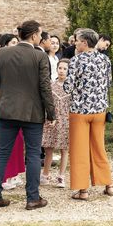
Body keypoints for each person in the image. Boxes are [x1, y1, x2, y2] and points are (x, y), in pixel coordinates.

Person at [0, 20, 55, 211]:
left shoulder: (3, 52)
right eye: (40, 34)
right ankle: (32, 198)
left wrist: (8, 91)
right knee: (33, 154)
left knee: (2, 153)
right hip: (32, 112)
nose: (41, 38)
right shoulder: (39, 56)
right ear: (33, 35)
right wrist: (51, 112)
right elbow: (44, 87)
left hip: (7, 110)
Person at [64, 29, 113, 200]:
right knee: (99, 147)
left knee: (79, 150)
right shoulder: (105, 59)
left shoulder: (76, 60)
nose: (75, 43)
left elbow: (68, 87)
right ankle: (108, 184)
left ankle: (83, 190)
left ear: (85, 42)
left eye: (77, 41)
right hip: (99, 109)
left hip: (79, 110)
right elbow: (109, 83)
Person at [0, 33, 26, 191]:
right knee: (3, 145)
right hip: (1, 107)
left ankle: (13, 174)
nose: (16, 45)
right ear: (5, 44)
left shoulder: (17, 60)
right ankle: (1, 177)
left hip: (16, 106)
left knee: (18, 141)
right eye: (13, 42)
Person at [41, 58, 71, 188]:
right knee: (49, 148)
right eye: (60, 68)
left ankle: (61, 176)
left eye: (65, 69)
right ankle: (45, 174)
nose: (62, 71)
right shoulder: (51, 85)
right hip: (52, 119)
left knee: (64, 149)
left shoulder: (71, 87)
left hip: (66, 119)